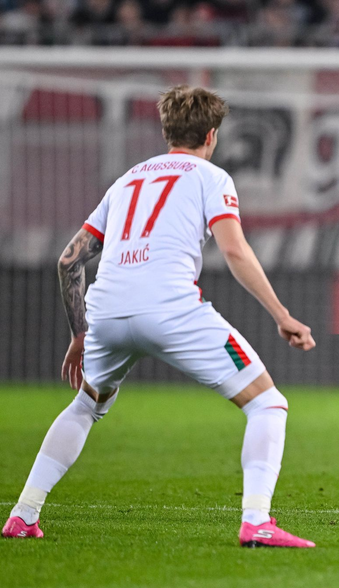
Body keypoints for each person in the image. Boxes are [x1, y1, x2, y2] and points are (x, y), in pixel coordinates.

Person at [2, 85, 316, 548]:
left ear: (167, 130)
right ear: (211, 135)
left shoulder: (127, 180)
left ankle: (23, 514)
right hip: (170, 310)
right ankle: (256, 522)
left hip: (105, 311)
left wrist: (81, 334)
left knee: (86, 405)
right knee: (267, 403)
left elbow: (69, 261)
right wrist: (281, 314)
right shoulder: (211, 177)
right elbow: (234, 249)